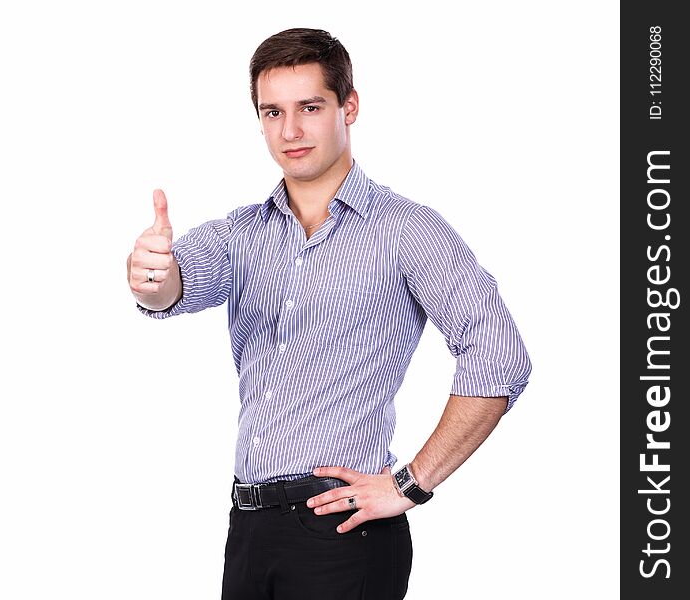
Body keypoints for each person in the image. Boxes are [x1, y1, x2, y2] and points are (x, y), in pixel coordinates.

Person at [126, 27, 531, 600]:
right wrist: (151, 276)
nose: (289, 131)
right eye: (272, 112)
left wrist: (412, 483)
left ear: (350, 106)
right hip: (248, 529)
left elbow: (501, 356)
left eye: (309, 107)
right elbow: (171, 286)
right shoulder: (241, 234)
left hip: (343, 534)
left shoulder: (406, 231)